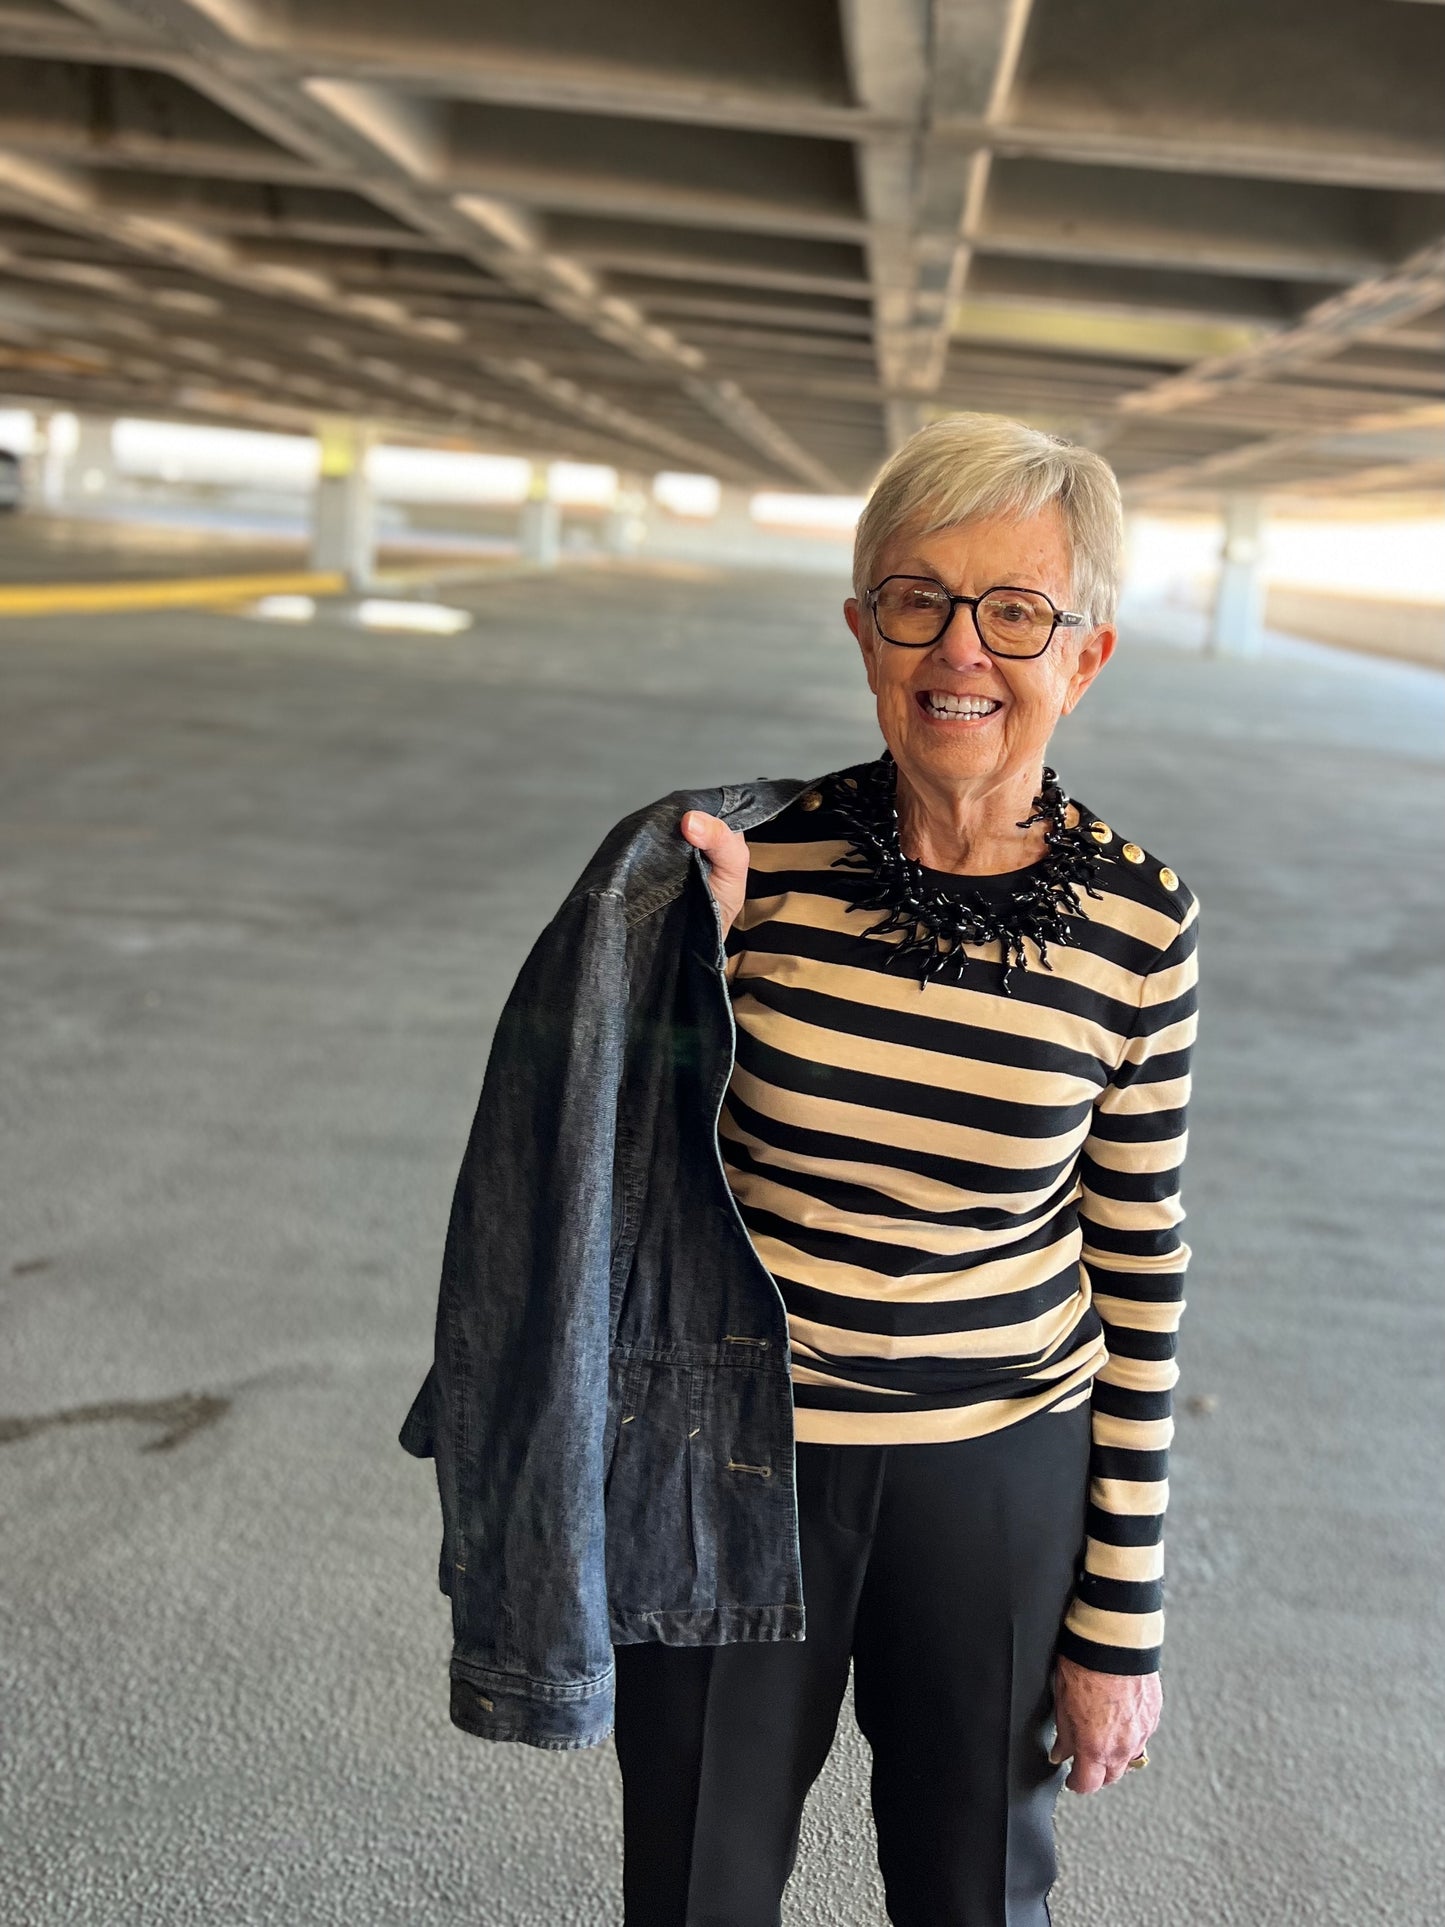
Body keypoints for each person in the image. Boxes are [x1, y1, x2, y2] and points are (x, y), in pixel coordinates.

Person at [399, 412, 1199, 1927]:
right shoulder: (744, 877)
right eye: (916, 599)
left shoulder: (1140, 923)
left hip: (1000, 1470)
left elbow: (1139, 1271)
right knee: (695, 1888)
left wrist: (1120, 1620)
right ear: (861, 630)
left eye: (1014, 609)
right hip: (734, 1457)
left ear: (1081, 655)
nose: (959, 649)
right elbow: (595, 1185)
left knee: (977, 1897)